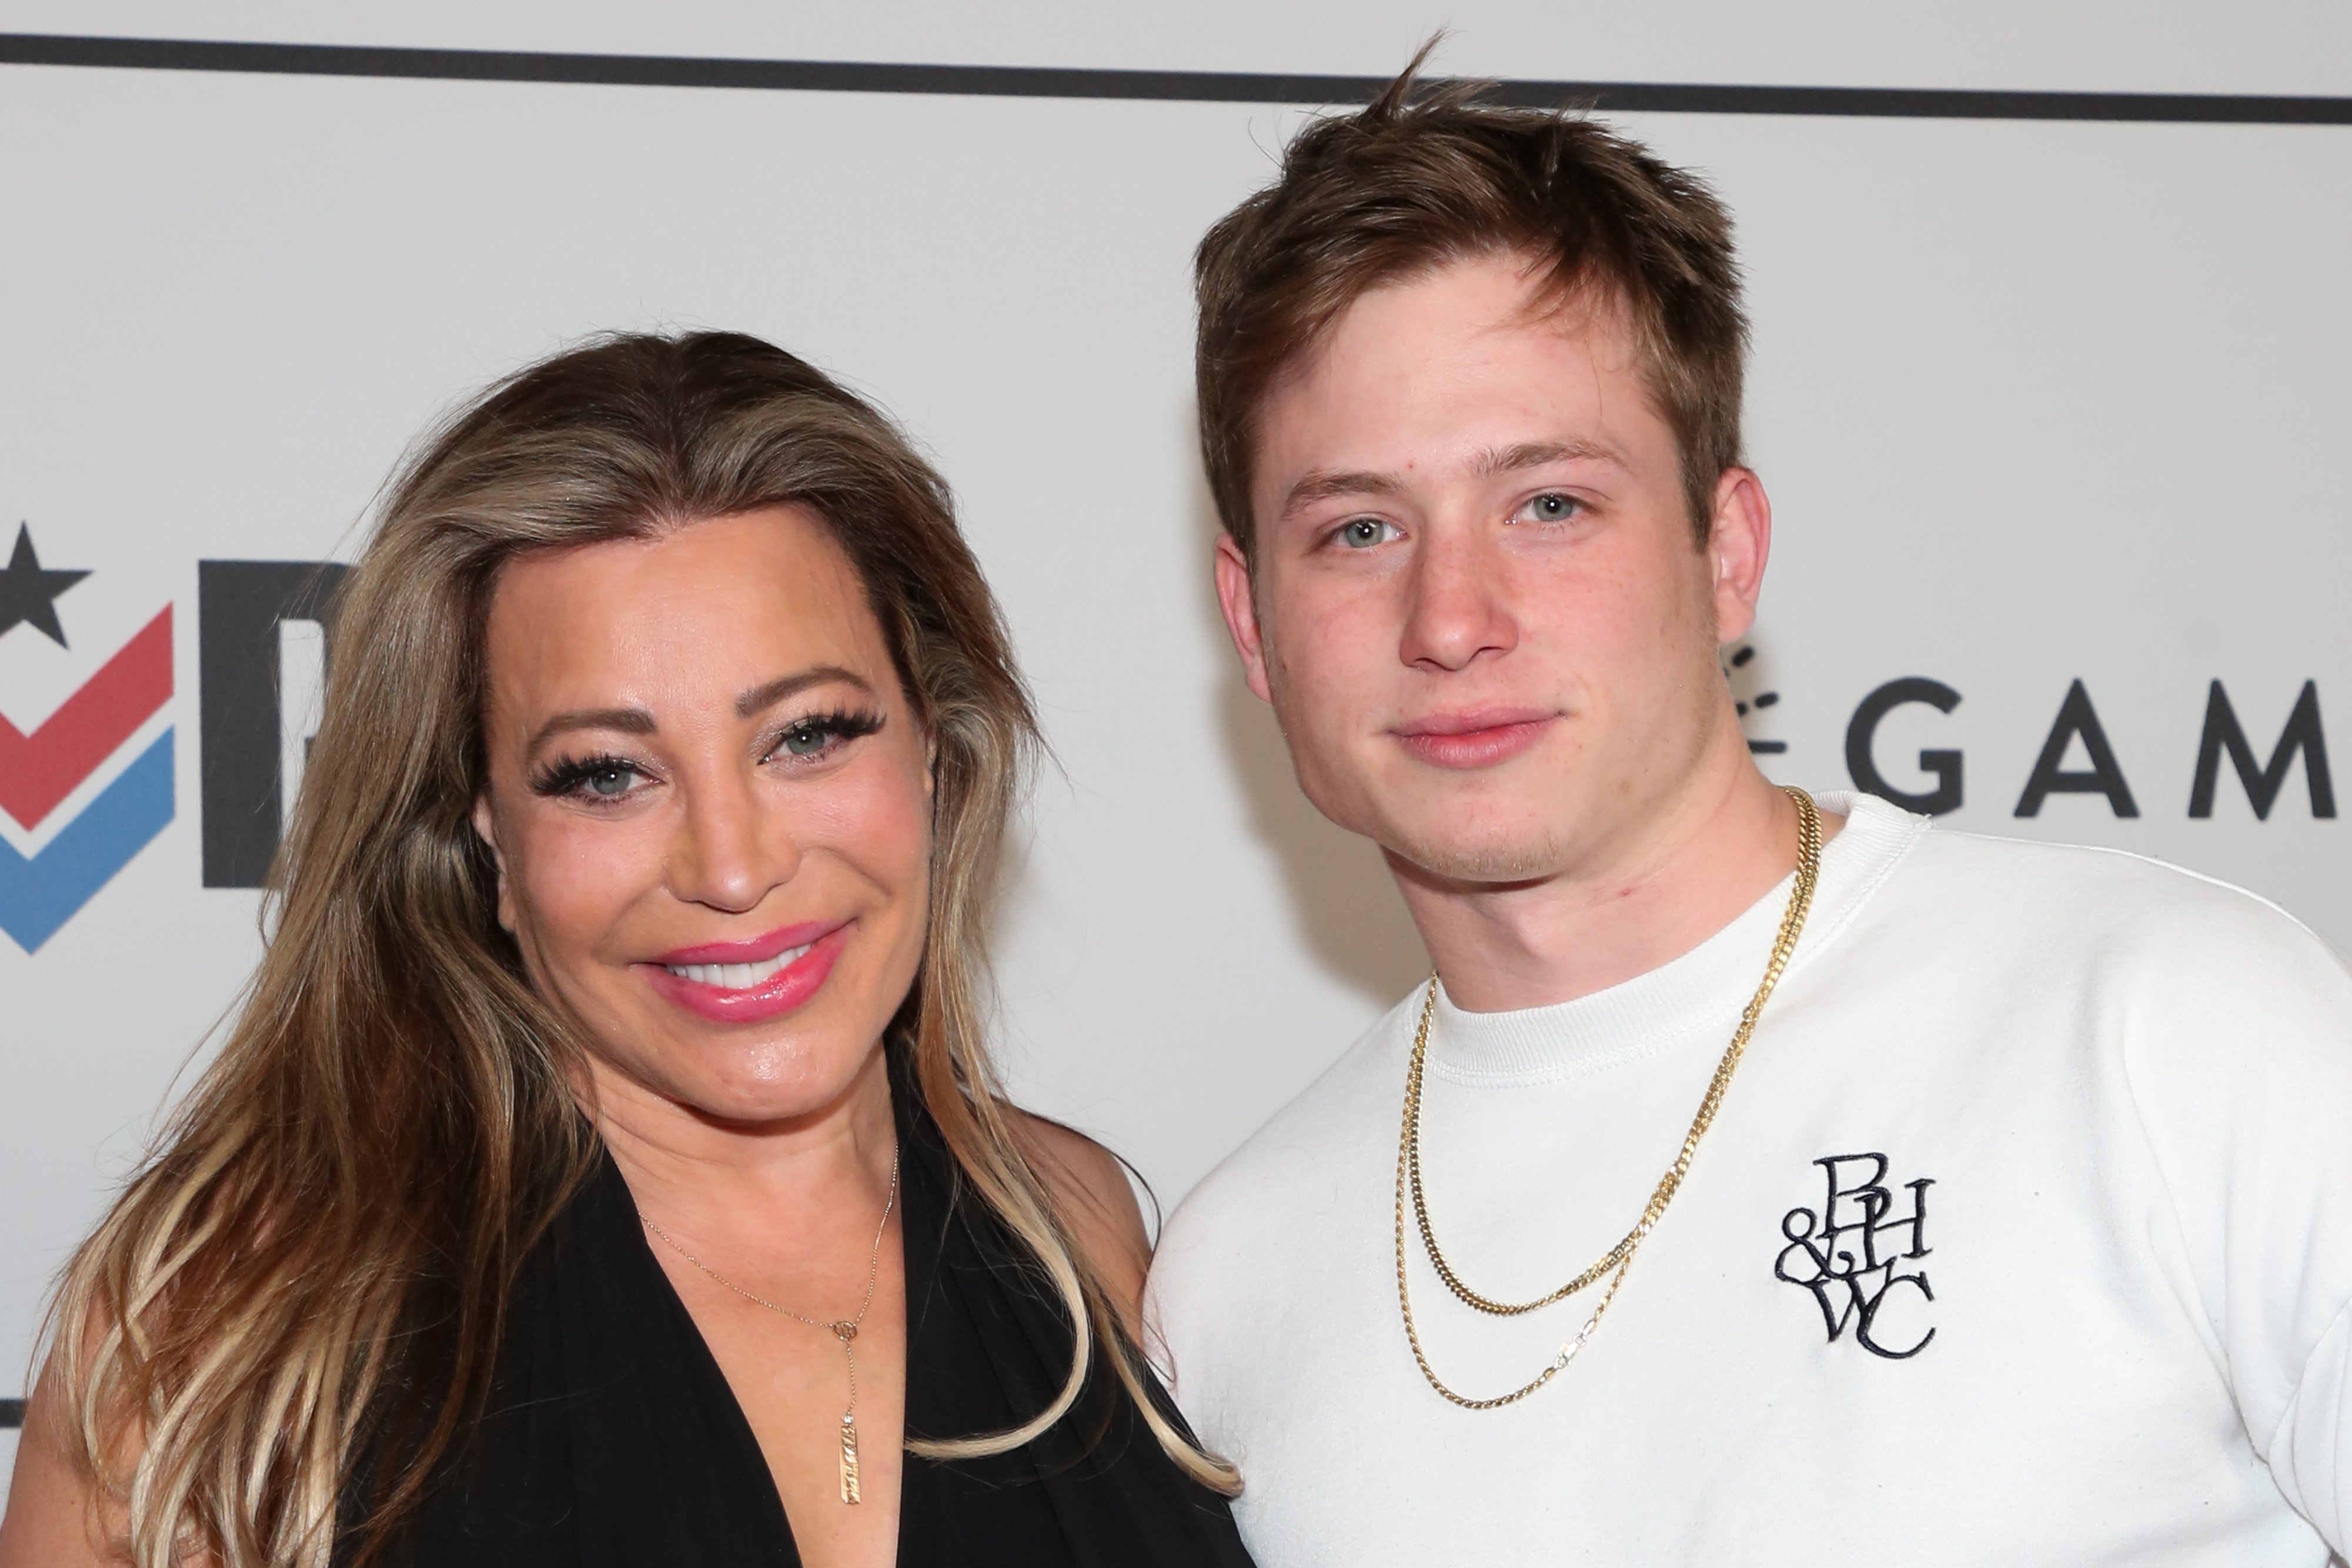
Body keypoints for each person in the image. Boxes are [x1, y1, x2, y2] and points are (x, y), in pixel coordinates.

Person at [1147, 59, 2352, 1567]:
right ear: (1250, 625)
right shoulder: (1224, 1287)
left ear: (1726, 550)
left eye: (1549, 505)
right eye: (1359, 528)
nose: (1450, 617)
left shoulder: (2160, 1025)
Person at [0, 332, 1255, 1568]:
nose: (729, 864)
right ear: (483, 825)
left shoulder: (1078, 1233)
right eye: (606, 773)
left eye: (807, 734)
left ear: (931, 744)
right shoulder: (228, 1334)